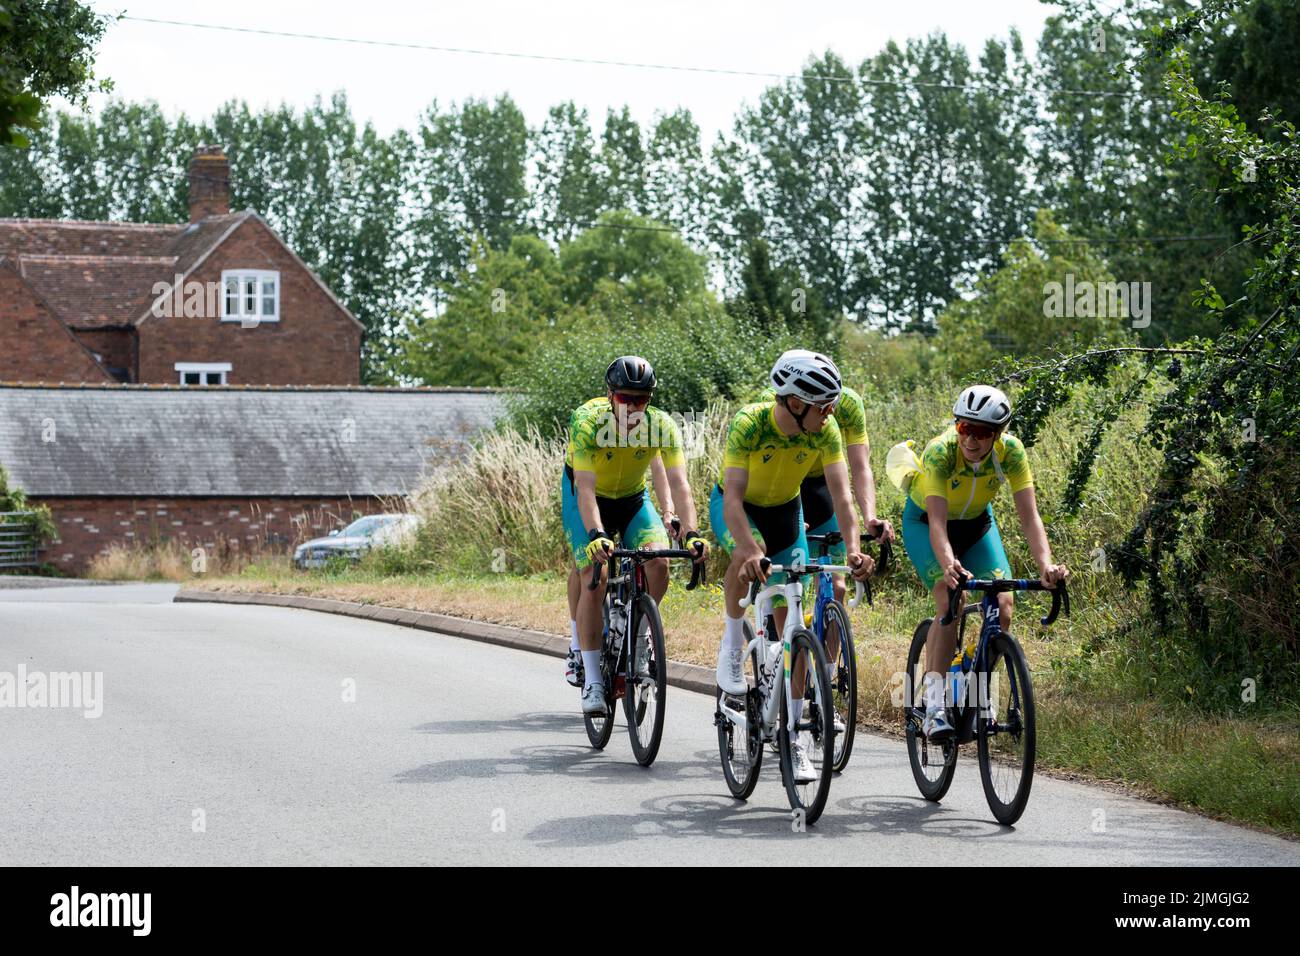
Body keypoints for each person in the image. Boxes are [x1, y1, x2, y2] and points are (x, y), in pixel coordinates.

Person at [711, 349, 872, 781]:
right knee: (748, 559)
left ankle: (795, 738)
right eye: (824, 406)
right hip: (739, 509)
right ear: (796, 403)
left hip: (787, 513)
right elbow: (731, 499)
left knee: (793, 629)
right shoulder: (750, 422)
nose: (831, 413)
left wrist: (853, 551)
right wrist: (749, 550)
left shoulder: (825, 429)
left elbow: (842, 497)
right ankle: (730, 647)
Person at [901, 384, 1070, 739]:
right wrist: (949, 564)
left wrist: (1046, 567)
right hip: (926, 524)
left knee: (1004, 604)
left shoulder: (1011, 454)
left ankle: (973, 680)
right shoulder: (941, 452)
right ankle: (934, 706)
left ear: (999, 434)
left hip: (977, 525)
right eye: (964, 428)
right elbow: (935, 522)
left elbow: (1029, 517)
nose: (970, 439)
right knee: (951, 599)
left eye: (981, 433)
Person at [561, 356, 707, 715]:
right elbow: (585, 488)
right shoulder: (587, 421)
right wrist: (596, 533)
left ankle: (639, 632)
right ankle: (594, 681)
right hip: (586, 496)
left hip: (631, 498)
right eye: (626, 398)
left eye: (642, 400)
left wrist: (690, 532)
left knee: (658, 561)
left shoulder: (660, 426)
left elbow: (679, 483)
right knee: (595, 577)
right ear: (609, 395)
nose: (634, 407)